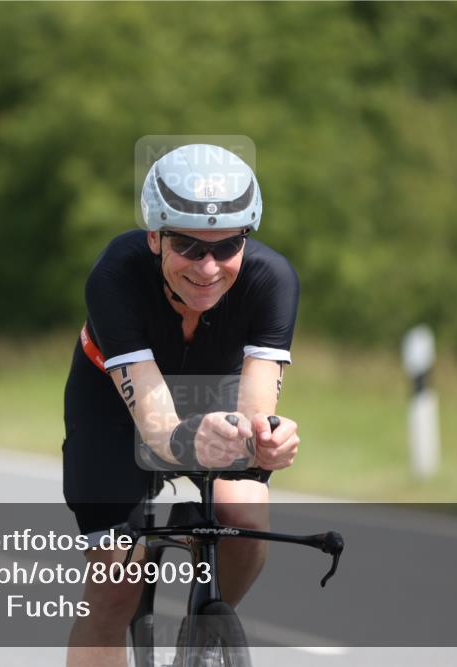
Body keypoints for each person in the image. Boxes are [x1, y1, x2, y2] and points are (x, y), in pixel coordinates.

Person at [62, 143, 301, 667]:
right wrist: (193, 437)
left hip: (214, 393)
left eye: (228, 246)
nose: (209, 267)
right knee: (115, 585)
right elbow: (157, 426)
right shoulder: (115, 276)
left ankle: (202, 634)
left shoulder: (271, 280)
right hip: (117, 405)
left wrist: (269, 441)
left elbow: (258, 413)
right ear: (155, 238)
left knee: (245, 514)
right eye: (189, 247)